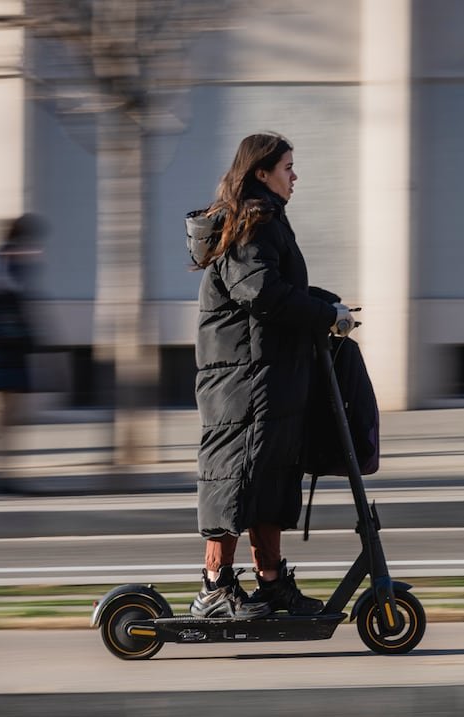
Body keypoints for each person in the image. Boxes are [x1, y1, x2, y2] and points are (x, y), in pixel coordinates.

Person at [184, 132, 356, 619]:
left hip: (268, 376)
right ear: (261, 173)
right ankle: (214, 588)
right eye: (287, 167)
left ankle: (272, 583)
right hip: (243, 382)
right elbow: (259, 293)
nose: (295, 176)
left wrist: (328, 305)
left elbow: (276, 286)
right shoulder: (251, 223)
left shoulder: (266, 219)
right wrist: (324, 315)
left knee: (271, 478)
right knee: (234, 478)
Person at [0, 213, 46, 494]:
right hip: (8, 347)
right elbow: (16, 300)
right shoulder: (9, 261)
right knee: (8, 413)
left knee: (4, 413)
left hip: (1, 347)